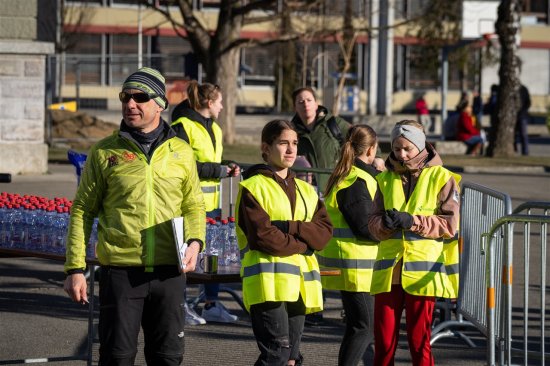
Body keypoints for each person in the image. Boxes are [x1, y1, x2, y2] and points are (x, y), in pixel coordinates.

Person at [63, 67, 206, 365]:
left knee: (167, 358)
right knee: (117, 358)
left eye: (140, 97)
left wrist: (195, 243)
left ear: (160, 104)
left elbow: (193, 204)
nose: (130, 104)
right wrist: (75, 268)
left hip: (170, 270)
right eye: (125, 97)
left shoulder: (181, 151)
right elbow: (82, 210)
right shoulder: (104, 152)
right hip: (122, 272)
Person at [235, 119, 333, 366]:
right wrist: (303, 245)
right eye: (283, 143)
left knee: (291, 359)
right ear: (266, 148)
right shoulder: (253, 187)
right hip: (268, 285)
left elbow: (323, 233)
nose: (291, 150)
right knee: (276, 355)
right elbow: (263, 237)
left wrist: (292, 227)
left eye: (295, 143)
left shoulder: (306, 190)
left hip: (299, 286)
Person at [367, 120, 460, 366]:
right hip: (389, 272)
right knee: (384, 343)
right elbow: (373, 224)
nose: (401, 154)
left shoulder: (443, 177)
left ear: (420, 146)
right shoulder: (384, 179)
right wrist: (384, 225)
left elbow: (449, 226)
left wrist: (412, 221)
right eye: (397, 149)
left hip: (422, 274)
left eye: (407, 148)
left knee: (420, 343)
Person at [171, 80, 240, 324]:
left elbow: (213, 160)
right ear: (209, 103)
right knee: (186, 256)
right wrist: (219, 170)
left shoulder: (216, 129)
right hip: (189, 203)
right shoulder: (182, 126)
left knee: (214, 255)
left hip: (214, 205)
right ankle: (180, 306)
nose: (222, 106)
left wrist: (228, 165)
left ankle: (211, 303)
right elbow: (185, 165)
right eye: (220, 101)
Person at [316, 124, 381, 366]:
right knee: (364, 328)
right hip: (357, 267)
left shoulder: (350, 174)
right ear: (372, 149)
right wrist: (392, 227)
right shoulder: (356, 180)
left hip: (352, 264)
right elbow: (365, 227)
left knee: (358, 327)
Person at [291, 87, 351, 192]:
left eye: (309, 100)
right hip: (306, 192)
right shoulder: (290, 132)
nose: (305, 104)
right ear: (294, 107)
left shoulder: (334, 124)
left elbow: (362, 137)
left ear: (316, 103)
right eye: (301, 102)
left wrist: (376, 157)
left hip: (336, 190)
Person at [515, 83, 531, 156]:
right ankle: (514, 150)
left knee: (523, 134)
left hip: (522, 115)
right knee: (512, 135)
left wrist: (523, 110)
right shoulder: (511, 89)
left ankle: (525, 151)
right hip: (513, 116)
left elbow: (528, 102)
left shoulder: (523, 89)